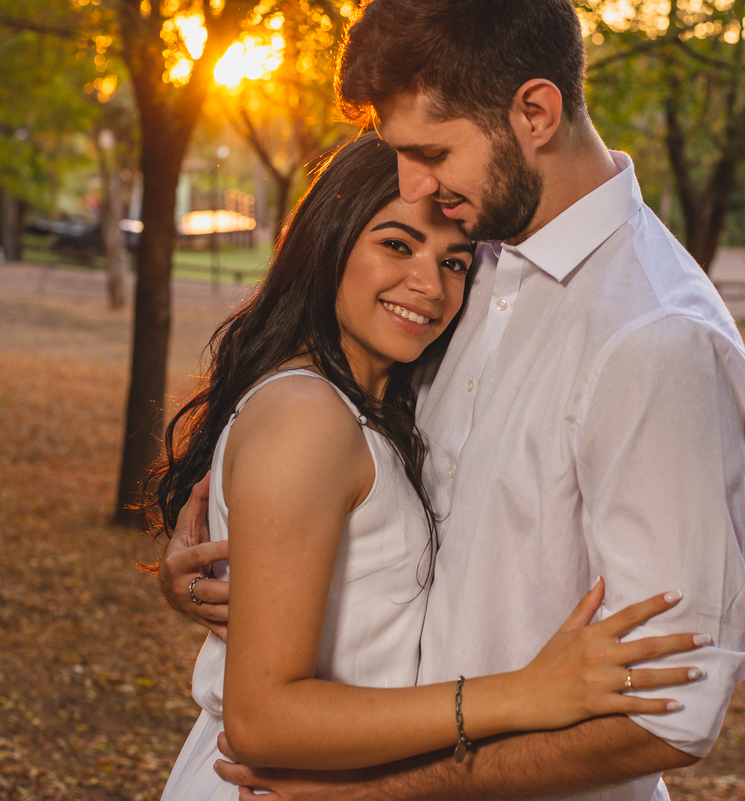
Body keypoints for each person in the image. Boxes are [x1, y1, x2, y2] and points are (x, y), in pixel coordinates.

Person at [151, 133, 709, 801]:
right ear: (330, 237)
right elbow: (261, 718)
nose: (428, 284)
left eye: (454, 261)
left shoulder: (378, 403)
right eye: (395, 244)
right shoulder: (307, 415)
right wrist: (523, 694)